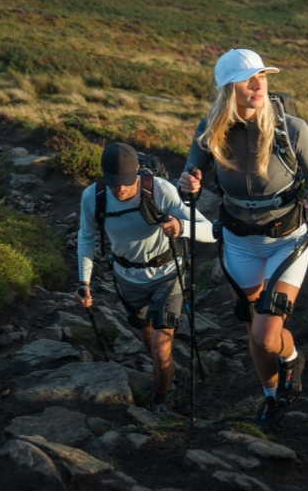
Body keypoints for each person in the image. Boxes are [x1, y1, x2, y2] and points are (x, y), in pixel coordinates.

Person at [179, 49, 308, 431]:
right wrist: (189, 183)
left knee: (266, 335)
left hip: (286, 239)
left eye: (262, 76)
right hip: (237, 240)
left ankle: (292, 358)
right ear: (228, 88)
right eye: (249, 78)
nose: (258, 84)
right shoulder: (209, 130)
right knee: (253, 330)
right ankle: (271, 396)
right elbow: (188, 179)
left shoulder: (291, 129)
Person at [76, 142, 216, 415]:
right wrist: (84, 282)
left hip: (167, 275)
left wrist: (181, 226)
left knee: (161, 349)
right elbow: (86, 237)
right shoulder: (93, 197)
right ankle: (162, 375)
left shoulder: (160, 189)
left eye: (126, 182)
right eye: (114, 183)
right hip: (127, 278)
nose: (120, 189)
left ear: (138, 171)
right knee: (148, 339)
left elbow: (211, 231)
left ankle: (160, 402)